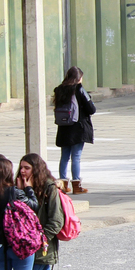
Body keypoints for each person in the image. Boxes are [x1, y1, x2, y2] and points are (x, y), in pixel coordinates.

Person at [18, 154, 64, 270]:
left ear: (36, 169)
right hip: (30, 242)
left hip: (42, 244)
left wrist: (40, 239)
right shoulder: (24, 186)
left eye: (27, 168)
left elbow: (56, 220)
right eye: (21, 167)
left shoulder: (49, 188)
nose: (22, 171)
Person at [53, 66, 96, 195]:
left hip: (63, 127)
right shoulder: (79, 89)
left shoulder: (59, 90)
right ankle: (76, 185)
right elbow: (91, 109)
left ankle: (63, 184)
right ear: (78, 78)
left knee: (64, 156)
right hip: (78, 127)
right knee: (76, 156)